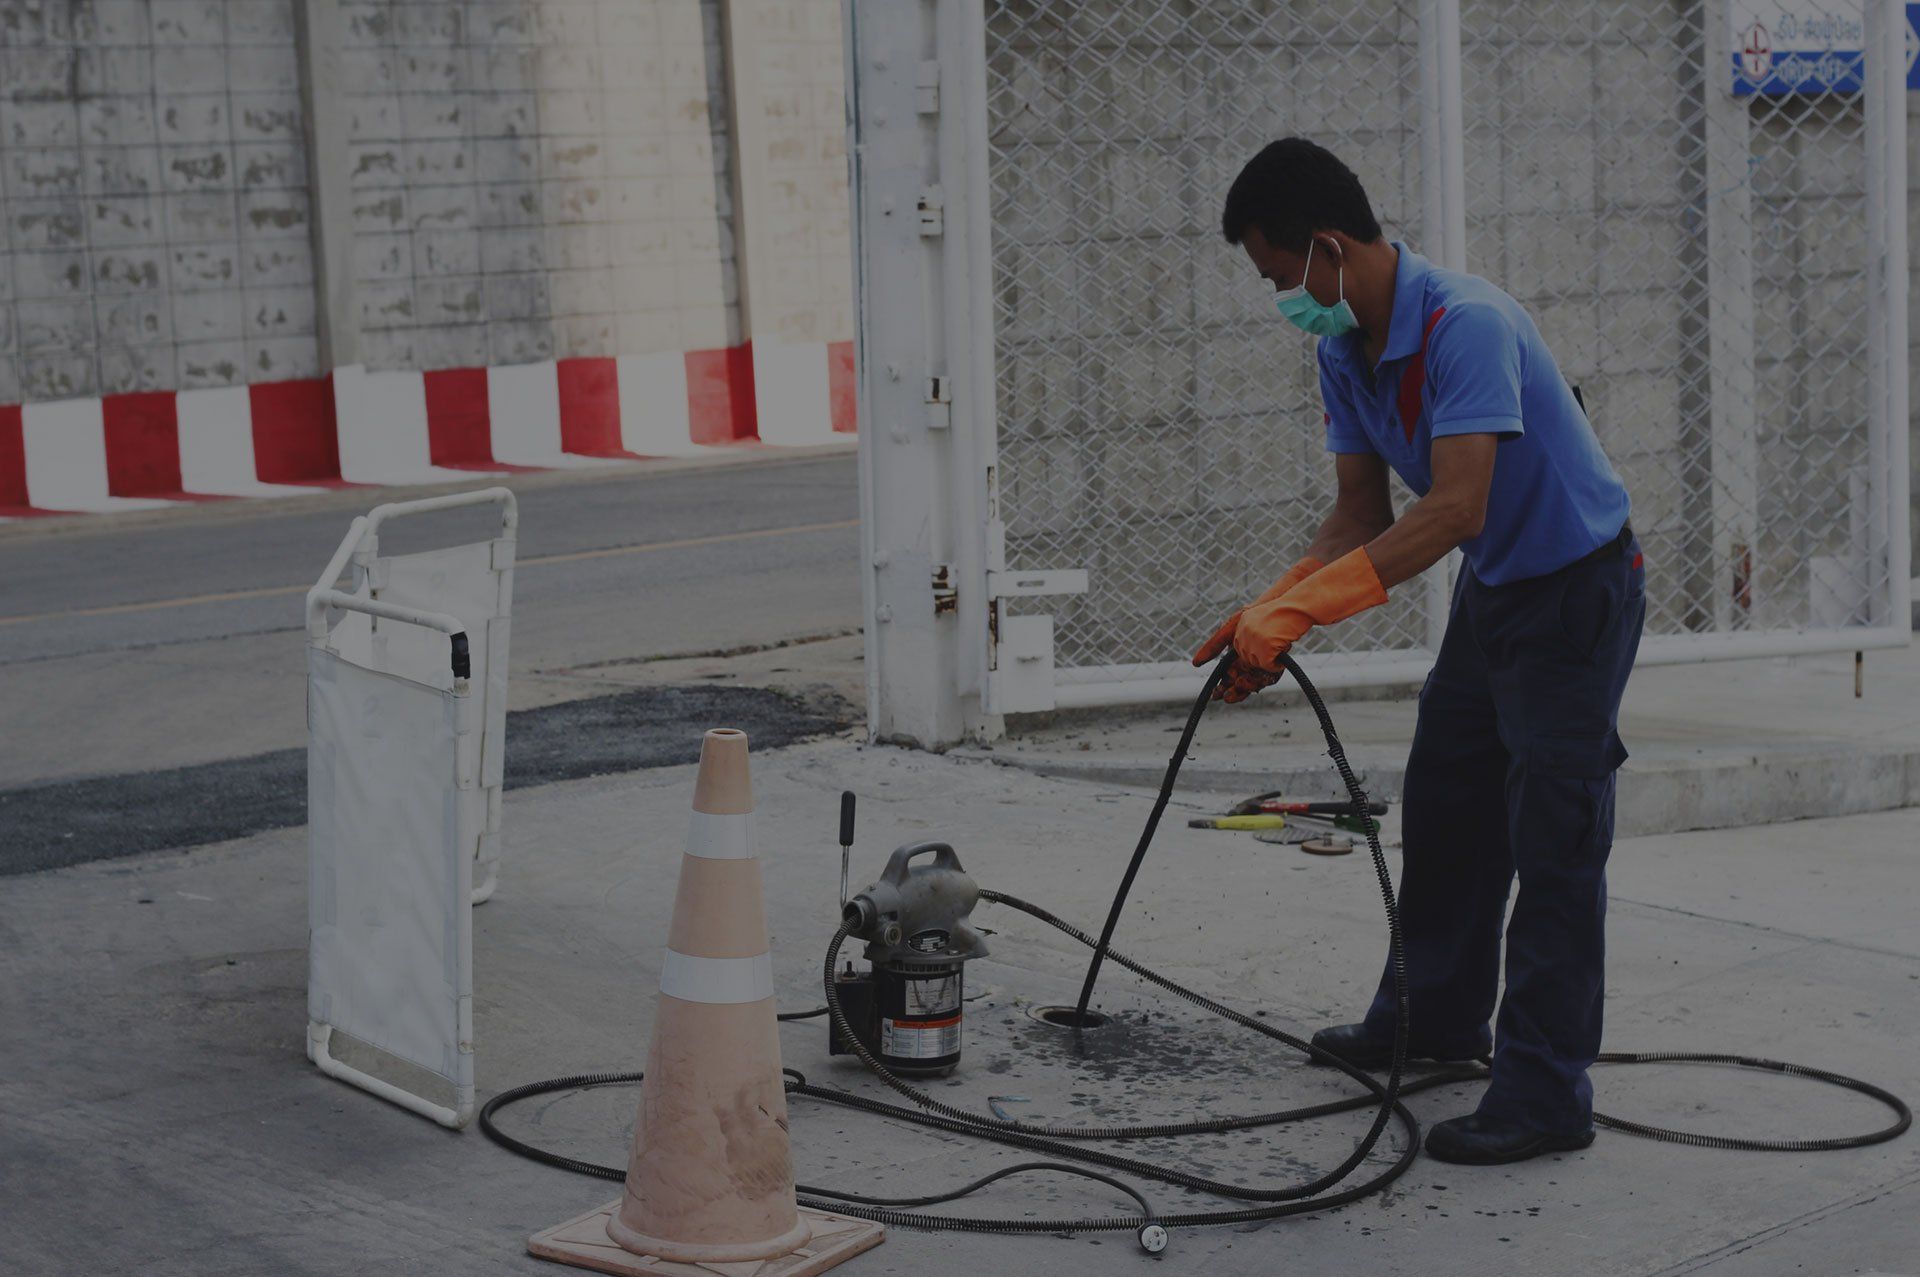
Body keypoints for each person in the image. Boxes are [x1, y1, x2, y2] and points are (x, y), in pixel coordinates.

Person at [1196, 137, 1646, 1165]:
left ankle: (1545, 1092)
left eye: (1278, 276)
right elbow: (1357, 512)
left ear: (1326, 247)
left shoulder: (1466, 325)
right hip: (1496, 593)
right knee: (1447, 807)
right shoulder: (1340, 346)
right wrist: (1267, 607)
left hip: (1576, 593)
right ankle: (1435, 1020)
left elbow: (1453, 506)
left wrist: (1304, 615)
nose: (1280, 299)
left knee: (1555, 839)